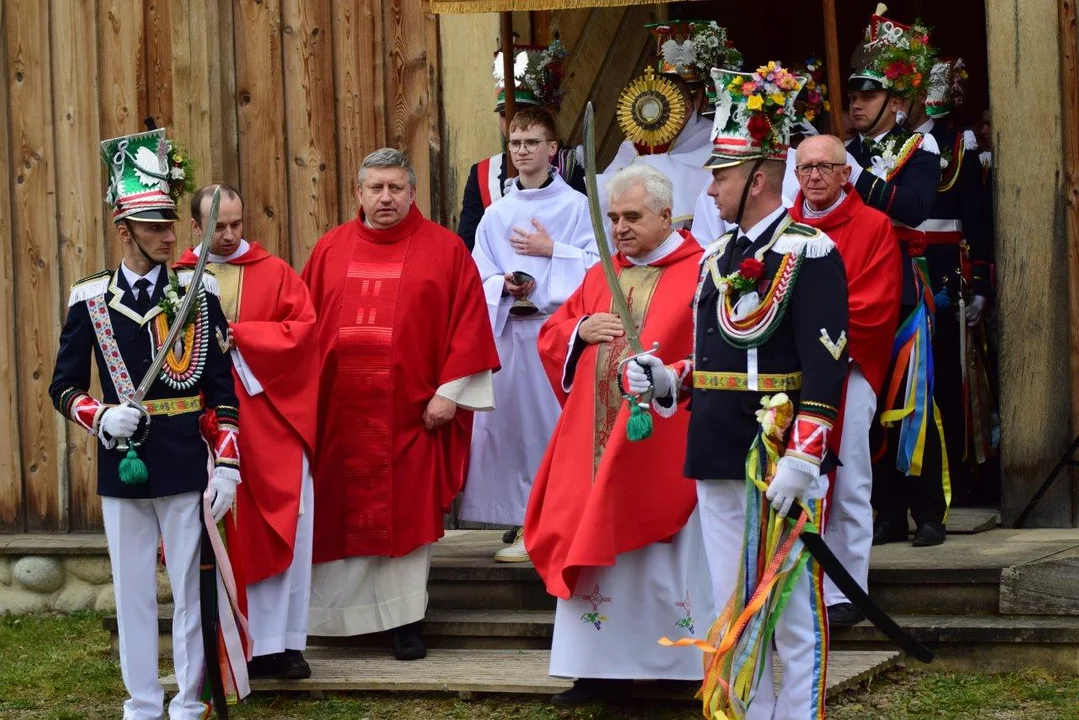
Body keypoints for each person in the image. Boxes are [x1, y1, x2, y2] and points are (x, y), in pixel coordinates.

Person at [629, 62, 849, 719]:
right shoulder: (714, 258)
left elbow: (826, 362)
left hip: (777, 455)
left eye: (720, 175)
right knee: (732, 598)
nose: (711, 187)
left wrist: (805, 456)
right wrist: (667, 380)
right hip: (717, 450)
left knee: (789, 607)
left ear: (756, 177)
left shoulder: (809, 252)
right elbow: (713, 356)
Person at [49, 129, 243, 719]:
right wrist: (101, 415)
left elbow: (221, 391)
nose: (168, 236)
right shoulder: (90, 299)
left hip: (186, 459)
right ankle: (140, 703)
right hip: (121, 462)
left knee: (188, 590)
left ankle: (188, 703)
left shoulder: (198, 293)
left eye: (170, 225)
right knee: (133, 591)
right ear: (123, 229)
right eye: (154, 226)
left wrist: (229, 462)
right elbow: (62, 386)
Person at [525, 164, 712, 706]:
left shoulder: (702, 272)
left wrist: (670, 376)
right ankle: (597, 671)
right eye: (612, 218)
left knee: (661, 556)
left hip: (661, 448)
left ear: (665, 215)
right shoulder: (601, 273)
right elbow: (554, 332)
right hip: (596, 446)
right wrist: (579, 334)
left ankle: (679, 670)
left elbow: (713, 352)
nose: (621, 228)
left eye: (632, 217)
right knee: (595, 545)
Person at [302, 148, 500, 660]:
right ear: (358, 193)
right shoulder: (329, 249)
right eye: (376, 188)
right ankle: (338, 621)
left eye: (396, 187)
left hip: (412, 417)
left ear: (412, 192)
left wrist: (449, 394)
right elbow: (300, 327)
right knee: (337, 511)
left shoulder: (445, 249)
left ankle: (405, 623)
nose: (386, 197)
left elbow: (469, 323)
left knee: (404, 518)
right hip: (339, 418)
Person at [175, 184, 319, 679]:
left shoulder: (275, 273)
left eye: (238, 224)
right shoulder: (174, 280)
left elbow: (303, 334)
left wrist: (242, 336)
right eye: (220, 227)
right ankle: (229, 644)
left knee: (288, 525)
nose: (232, 235)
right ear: (196, 227)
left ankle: (285, 644)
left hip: (269, 418)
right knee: (220, 529)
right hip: (205, 425)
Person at [461, 107, 598, 562]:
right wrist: (504, 284)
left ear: (552, 149)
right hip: (508, 330)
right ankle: (524, 520)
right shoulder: (497, 214)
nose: (521, 151)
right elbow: (477, 274)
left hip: (554, 332)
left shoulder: (577, 207)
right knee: (511, 430)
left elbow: (600, 268)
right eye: (515, 144)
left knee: (549, 428)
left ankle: (555, 519)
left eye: (532, 143)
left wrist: (550, 251)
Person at [844, 11, 950, 548]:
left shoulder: (920, 148)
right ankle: (885, 512)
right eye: (853, 96)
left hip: (905, 288)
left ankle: (929, 512)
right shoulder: (843, 153)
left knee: (913, 399)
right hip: (858, 288)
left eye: (869, 95)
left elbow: (910, 208)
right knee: (868, 401)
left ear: (898, 103)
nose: (855, 104)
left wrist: (854, 176)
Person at [787, 135, 903, 627]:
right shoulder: (783, 227)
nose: (813, 176)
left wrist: (813, 340)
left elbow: (876, 302)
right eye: (804, 168)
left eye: (824, 167)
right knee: (790, 475)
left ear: (844, 174)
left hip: (848, 368)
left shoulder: (874, 225)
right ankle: (792, 587)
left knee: (850, 473)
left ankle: (845, 592)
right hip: (789, 371)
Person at [902, 57, 996, 509]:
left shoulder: (957, 144)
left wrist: (979, 281)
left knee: (948, 380)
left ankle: (959, 479)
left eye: (905, 93)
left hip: (945, 274)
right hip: (900, 272)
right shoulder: (889, 145)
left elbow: (977, 217)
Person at [597, 21, 743, 228]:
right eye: (662, 97)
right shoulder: (636, 142)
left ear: (696, 100)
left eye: (677, 99)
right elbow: (606, 191)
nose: (668, 109)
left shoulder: (714, 139)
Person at [457, 40, 585, 251]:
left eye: (523, 113)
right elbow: (468, 243)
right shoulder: (482, 173)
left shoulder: (570, 164)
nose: (513, 122)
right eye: (505, 114)